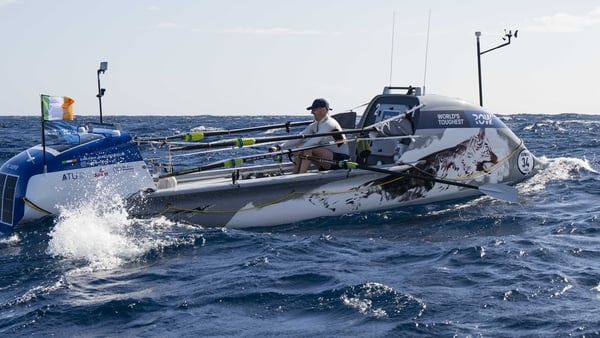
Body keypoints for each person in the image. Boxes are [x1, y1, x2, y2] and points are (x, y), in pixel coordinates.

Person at [269, 98, 350, 173]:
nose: (311, 112)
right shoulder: (316, 124)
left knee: (309, 148)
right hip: (327, 159)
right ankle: (295, 174)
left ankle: (300, 176)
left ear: (324, 110)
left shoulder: (329, 123)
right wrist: (279, 147)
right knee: (300, 145)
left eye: (314, 110)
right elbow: (299, 137)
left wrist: (296, 151)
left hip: (340, 160)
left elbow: (315, 141)